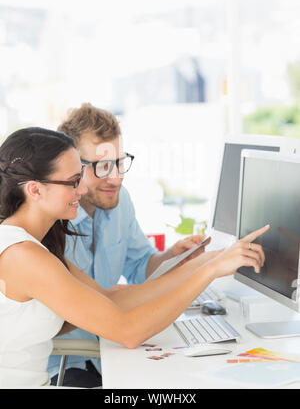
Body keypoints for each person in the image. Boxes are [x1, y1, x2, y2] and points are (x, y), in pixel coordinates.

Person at [0, 126, 268, 388]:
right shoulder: (23, 255)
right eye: (73, 182)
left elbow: (110, 300)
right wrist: (208, 272)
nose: (81, 190)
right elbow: (128, 332)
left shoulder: (39, 244)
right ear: (35, 190)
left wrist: (209, 260)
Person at [48, 103, 213, 385]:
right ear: (73, 167)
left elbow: (140, 266)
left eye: (119, 162)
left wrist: (171, 257)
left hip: (113, 350)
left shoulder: (119, 202)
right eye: (102, 166)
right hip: (68, 361)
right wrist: (212, 268)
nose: (115, 177)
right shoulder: (51, 224)